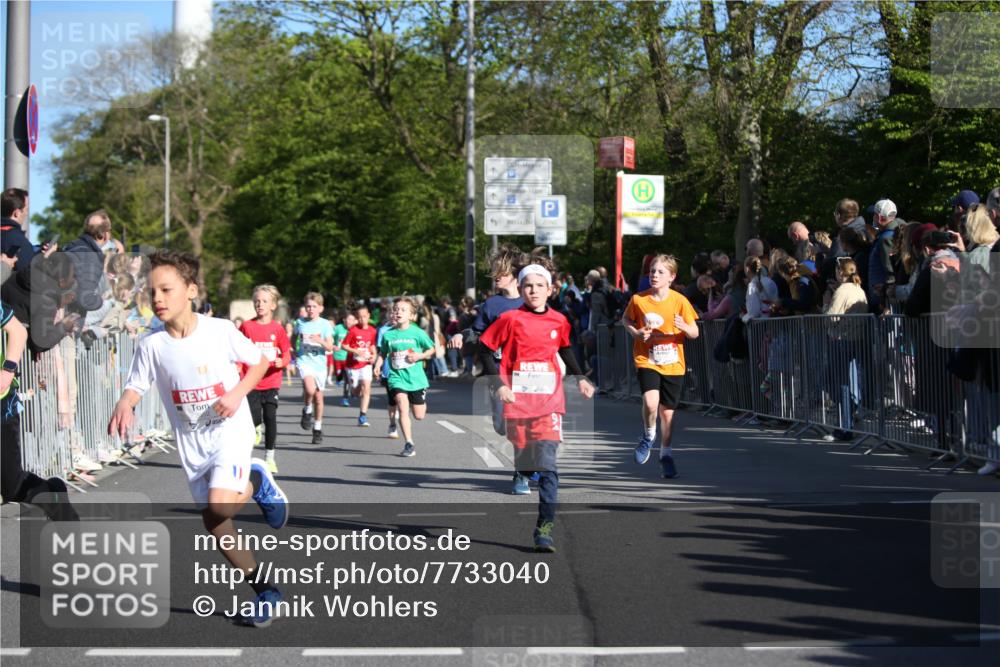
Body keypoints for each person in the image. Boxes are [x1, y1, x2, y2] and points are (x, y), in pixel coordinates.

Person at [107, 250, 288, 627]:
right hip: (193, 444)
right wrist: (125, 403)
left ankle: (255, 480)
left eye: (166, 290)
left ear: (191, 290)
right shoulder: (152, 345)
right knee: (216, 524)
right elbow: (136, 385)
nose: (157, 298)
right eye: (152, 291)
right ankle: (266, 592)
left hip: (229, 431)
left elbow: (259, 362)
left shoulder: (218, 330)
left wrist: (236, 395)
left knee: (219, 507)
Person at [479, 260, 595, 552]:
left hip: (549, 402)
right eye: (528, 286)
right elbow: (485, 348)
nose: (534, 290)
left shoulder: (559, 320)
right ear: (520, 289)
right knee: (524, 456)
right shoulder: (510, 319)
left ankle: (544, 528)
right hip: (517, 402)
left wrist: (580, 377)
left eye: (539, 286)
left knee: (547, 464)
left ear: (550, 290)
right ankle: (524, 469)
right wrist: (499, 384)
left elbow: (565, 348)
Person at [622, 255, 699, 479]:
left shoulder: (680, 301)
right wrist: (636, 333)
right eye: (652, 271)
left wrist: (684, 327)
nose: (654, 275)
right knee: (650, 402)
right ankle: (648, 435)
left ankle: (666, 455)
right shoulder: (639, 299)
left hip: (673, 363)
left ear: (671, 277)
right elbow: (626, 320)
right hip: (647, 358)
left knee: (667, 414)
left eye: (660, 272)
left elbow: (695, 333)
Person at [1, 300, 78, 521]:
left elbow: (18, 332)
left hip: (2, 407)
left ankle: (53, 496)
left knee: (12, 486)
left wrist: (7, 372)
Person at [374, 298, 437, 457]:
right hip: (396, 377)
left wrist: (419, 356)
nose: (398, 312)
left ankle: (417, 402)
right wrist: (377, 365)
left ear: (411, 315)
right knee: (402, 407)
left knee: (419, 415)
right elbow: (383, 353)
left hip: (416, 379)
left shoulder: (418, 333)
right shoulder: (388, 335)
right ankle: (409, 443)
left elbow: (431, 349)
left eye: (403, 310)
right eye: (396, 309)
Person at [240, 285, 292, 473]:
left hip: (271, 382)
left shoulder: (277, 329)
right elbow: (238, 351)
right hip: (252, 381)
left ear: (273, 305)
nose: (259, 304)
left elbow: (286, 353)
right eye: (257, 301)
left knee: (270, 417)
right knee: (254, 418)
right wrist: (237, 369)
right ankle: (255, 428)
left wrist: (282, 362)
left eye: (264, 301)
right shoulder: (247, 326)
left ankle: (269, 458)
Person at [293, 292, 334, 444]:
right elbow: (293, 337)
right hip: (304, 361)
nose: (310, 309)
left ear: (321, 308)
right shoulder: (300, 322)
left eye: (314, 306)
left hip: (319, 364)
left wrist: (319, 340)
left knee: (318, 397)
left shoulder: (325, 324)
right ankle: (307, 409)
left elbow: (330, 346)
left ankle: (317, 428)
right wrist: (294, 349)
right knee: (310, 390)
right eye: (308, 306)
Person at [63, 210, 116, 315]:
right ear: (105, 234)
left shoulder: (72, 247)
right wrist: (101, 300)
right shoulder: (90, 257)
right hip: (69, 315)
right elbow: (85, 300)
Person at [342, 304, 378, 427]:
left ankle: (362, 415)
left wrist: (374, 355)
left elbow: (372, 345)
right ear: (357, 318)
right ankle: (353, 391)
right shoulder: (353, 330)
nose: (362, 319)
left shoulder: (372, 330)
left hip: (366, 363)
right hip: (352, 365)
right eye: (360, 317)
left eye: (364, 316)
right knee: (356, 391)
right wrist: (355, 351)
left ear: (368, 316)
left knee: (366, 388)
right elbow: (344, 345)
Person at [868, 199, 901, 314]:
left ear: (879, 217)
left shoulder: (886, 238)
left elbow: (890, 270)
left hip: (886, 300)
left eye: (874, 214)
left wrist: (884, 294)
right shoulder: (889, 234)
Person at [376, 306, 400, 439]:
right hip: (389, 370)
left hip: (406, 371)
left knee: (402, 398)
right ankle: (392, 424)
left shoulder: (410, 330)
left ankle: (401, 410)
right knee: (392, 400)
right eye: (391, 313)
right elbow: (381, 351)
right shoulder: (384, 331)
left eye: (396, 313)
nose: (394, 316)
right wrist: (378, 366)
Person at [0, 188, 36, 270]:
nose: (26, 213)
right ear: (16, 213)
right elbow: (28, 275)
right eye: (26, 210)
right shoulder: (19, 241)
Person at [333, 311, 355, 405]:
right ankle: (345, 396)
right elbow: (329, 338)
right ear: (344, 320)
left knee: (349, 379)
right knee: (341, 375)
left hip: (350, 357)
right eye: (348, 319)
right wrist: (333, 345)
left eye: (352, 320)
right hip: (338, 355)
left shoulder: (354, 330)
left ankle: (347, 396)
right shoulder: (338, 328)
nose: (350, 322)